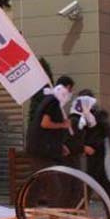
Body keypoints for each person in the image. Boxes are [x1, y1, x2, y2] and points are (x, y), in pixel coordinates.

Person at [25, 75, 75, 207]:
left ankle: (26, 211)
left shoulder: (50, 101)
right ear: (67, 88)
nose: (70, 94)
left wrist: (60, 145)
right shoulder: (53, 102)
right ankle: (54, 218)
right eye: (70, 90)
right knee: (55, 186)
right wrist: (63, 125)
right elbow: (45, 124)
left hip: (40, 149)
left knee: (37, 184)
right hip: (42, 151)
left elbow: (48, 130)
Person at [85, 104, 110, 206]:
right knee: (100, 178)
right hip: (93, 149)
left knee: (92, 178)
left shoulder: (97, 115)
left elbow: (109, 131)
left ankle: (83, 203)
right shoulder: (88, 115)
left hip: (97, 149)